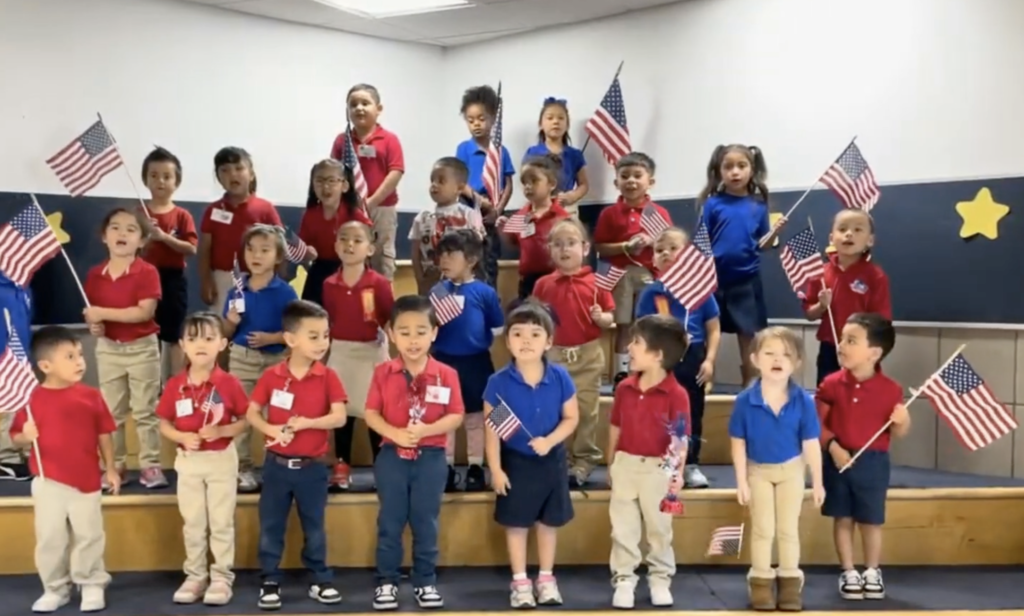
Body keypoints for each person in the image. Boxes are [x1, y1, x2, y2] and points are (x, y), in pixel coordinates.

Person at [364, 295, 465, 611]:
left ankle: (425, 581)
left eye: (421, 331)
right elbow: (371, 413)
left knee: (425, 521)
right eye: (404, 332)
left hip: (431, 458)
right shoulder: (383, 372)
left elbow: (456, 415)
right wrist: (394, 433)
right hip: (392, 456)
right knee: (390, 521)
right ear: (391, 334)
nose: (413, 339)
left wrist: (424, 431)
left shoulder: (446, 374)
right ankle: (387, 582)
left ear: (434, 332)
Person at [246, 301, 348, 610]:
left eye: (326, 335)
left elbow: (340, 417)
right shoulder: (272, 375)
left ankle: (320, 578)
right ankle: (270, 579)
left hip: (312, 468)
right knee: (272, 525)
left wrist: (308, 423)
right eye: (313, 336)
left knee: (314, 526)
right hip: (276, 467)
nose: (322, 343)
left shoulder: (328, 376)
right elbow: (252, 413)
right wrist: (272, 429)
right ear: (291, 340)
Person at [9, 326, 119, 613]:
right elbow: (16, 436)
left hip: (86, 481)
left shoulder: (91, 396)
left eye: (80, 354)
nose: (80, 361)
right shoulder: (29, 399)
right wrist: (25, 435)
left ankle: (91, 582)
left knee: (89, 536)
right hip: (48, 482)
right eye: (70, 356)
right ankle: (55, 588)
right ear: (46, 366)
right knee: (50, 539)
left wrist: (110, 469)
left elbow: (104, 434)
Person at [484, 301, 578, 608]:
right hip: (516, 463)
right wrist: (496, 470)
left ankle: (547, 579)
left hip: (551, 461)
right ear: (507, 340)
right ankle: (521, 582)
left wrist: (550, 441)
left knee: (548, 523)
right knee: (517, 524)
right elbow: (493, 431)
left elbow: (571, 419)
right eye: (518, 334)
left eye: (535, 334)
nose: (526, 341)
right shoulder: (497, 383)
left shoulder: (561, 377)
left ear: (549, 341)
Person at [728, 326, 824, 611]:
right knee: (762, 529)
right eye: (769, 353)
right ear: (755, 359)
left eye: (785, 354)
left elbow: (811, 443)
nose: (777, 359)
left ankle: (790, 584)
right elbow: (738, 443)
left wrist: (817, 481)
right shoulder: (745, 401)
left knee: (787, 529)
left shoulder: (804, 401)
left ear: (796, 362)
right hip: (758, 471)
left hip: (792, 471)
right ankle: (760, 583)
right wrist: (741, 480)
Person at [156, 312, 249, 606]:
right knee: (193, 522)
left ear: (222, 344)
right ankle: (195, 575)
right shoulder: (175, 385)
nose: (201, 345)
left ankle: (221, 577)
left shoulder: (229, 383)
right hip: (189, 462)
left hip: (221, 459)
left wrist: (222, 429)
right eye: (193, 338)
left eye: (209, 338)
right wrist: (181, 437)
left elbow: (246, 420)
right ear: (182, 344)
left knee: (221, 522)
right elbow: (164, 423)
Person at [817, 313, 907, 601]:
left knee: (870, 519)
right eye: (842, 338)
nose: (841, 345)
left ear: (874, 353)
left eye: (851, 340)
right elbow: (817, 424)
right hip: (838, 460)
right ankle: (848, 570)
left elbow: (899, 431)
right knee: (842, 517)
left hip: (873, 462)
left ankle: (871, 569)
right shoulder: (830, 384)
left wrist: (902, 419)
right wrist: (833, 447)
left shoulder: (891, 389)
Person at [608, 315, 690, 609]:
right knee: (623, 528)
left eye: (637, 343)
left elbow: (680, 440)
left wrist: (674, 476)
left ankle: (659, 578)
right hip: (625, 464)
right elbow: (616, 426)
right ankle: (624, 578)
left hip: (658, 470)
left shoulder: (677, 394)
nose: (629, 348)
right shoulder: (624, 389)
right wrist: (612, 462)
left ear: (657, 355)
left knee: (659, 529)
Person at [84, 208, 166, 489]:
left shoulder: (148, 272)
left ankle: (151, 465)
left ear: (142, 240)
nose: (122, 233)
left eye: (131, 229)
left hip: (142, 349)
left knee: (145, 410)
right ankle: (115, 464)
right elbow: (94, 319)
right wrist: (95, 325)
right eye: (115, 227)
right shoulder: (95, 275)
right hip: (108, 349)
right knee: (111, 412)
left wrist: (101, 313)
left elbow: (143, 312)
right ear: (104, 237)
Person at [635, 227, 722, 488]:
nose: (665, 253)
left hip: (693, 354)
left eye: (673, 248)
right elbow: (641, 329)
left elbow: (713, 327)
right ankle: (662, 461)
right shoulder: (652, 293)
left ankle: (690, 464)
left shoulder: (700, 291)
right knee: (660, 410)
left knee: (691, 411)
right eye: (659, 250)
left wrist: (709, 360)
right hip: (659, 357)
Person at [532, 219, 615, 487]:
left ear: (585, 248)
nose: (564, 249)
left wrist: (601, 316)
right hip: (554, 357)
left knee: (586, 410)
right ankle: (559, 457)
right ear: (550, 250)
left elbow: (610, 318)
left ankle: (584, 459)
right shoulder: (543, 284)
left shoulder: (597, 283)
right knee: (554, 409)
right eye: (557, 244)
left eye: (571, 243)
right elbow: (535, 318)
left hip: (588, 356)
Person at [699, 144, 785, 386]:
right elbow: (701, 241)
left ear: (752, 169)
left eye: (741, 166)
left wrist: (775, 233)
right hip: (713, 280)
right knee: (707, 330)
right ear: (719, 171)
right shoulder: (712, 204)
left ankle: (749, 383)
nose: (735, 172)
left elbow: (763, 244)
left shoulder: (758, 205)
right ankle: (705, 379)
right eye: (728, 167)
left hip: (745, 280)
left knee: (749, 335)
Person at [223, 225, 299, 492]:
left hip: (276, 363)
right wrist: (230, 323)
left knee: (275, 414)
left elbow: (295, 332)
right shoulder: (237, 290)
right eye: (250, 249)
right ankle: (242, 467)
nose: (256, 255)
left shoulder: (285, 292)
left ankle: (273, 466)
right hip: (242, 359)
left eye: (265, 250)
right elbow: (225, 333)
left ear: (278, 257)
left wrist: (273, 338)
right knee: (241, 413)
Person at [430, 230, 504, 492]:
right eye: (442, 254)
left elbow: (497, 328)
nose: (444, 259)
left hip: (476, 363)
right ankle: (446, 466)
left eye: (451, 254)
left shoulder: (484, 292)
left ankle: (475, 466)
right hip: (442, 362)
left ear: (471, 259)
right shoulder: (437, 291)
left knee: (476, 417)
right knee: (444, 415)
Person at [323, 220, 394, 490]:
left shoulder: (379, 283)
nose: (349, 244)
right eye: (343, 238)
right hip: (341, 353)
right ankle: (341, 465)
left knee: (374, 413)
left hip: (371, 353)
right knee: (342, 413)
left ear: (370, 248)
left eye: (357, 240)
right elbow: (329, 320)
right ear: (335, 245)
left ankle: (381, 468)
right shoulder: (329, 284)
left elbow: (388, 318)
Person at [592, 152, 672, 385]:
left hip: (651, 276)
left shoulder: (659, 214)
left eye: (638, 175)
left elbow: (670, 248)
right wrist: (625, 246)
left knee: (651, 324)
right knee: (624, 325)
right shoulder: (609, 214)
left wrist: (653, 242)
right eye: (624, 176)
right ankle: (622, 374)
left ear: (650, 181)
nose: (631, 181)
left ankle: (649, 371)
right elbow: (600, 247)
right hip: (621, 275)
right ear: (616, 182)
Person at [802, 209, 891, 384]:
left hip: (862, 349)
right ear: (831, 238)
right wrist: (821, 306)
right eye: (842, 229)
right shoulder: (820, 272)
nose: (849, 234)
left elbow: (882, 321)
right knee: (827, 396)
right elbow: (809, 314)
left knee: (859, 400)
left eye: (858, 230)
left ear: (870, 240)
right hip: (830, 348)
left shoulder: (875, 276)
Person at [331, 84, 405, 281]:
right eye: (353, 105)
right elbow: (334, 173)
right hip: (349, 208)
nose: (359, 108)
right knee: (351, 255)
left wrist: (371, 201)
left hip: (382, 208)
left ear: (378, 109)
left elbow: (396, 171)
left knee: (381, 258)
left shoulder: (389, 139)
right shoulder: (342, 141)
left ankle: (383, 306)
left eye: (365, 103)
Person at [198, 146, 282, 313]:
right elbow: (204, 249)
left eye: (239, 168)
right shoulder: (213, 210)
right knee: (222, 325)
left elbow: (279, 247)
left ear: (251, 174)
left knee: (254, 324)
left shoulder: (265, 209)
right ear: (218, 177)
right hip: (223, 278)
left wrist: (274, 279)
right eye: (225, 170)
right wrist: (206, 280)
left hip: (258, 278)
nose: (233, 174)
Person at [139, 146, 198, 379]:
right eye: (154, 176)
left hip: (172, 279)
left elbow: (191, 248)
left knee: (173, 336)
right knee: (148, 336)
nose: (160, 181)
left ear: (176, 181)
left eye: (166, 176)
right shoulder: (139, 213)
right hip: (143, 280)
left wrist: (164, 237)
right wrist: (144, 237)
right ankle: (152, 388)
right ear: (145, 180)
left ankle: (176, 386)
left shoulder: (182, 215)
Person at [455, 84, 515, 287]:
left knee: (490, 262)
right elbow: (460, 183)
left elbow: (508, 184)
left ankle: (490, 302)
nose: (476, 124)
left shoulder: (500, 151)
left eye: (482, 119)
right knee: (469, 260)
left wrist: (497, 210)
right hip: (469, 207)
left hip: (492, 214)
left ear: (493, 118)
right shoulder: (464, 148)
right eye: (471, 120)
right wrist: (481, 202)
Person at [298, 159, 373, 307]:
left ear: (344, 186)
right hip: (320, 269)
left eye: (332, 181)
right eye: (319, 181)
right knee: (309, 309)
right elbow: (303, 245)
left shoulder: (355, 215)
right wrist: (307, 251)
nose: (325, 186)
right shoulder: (310, 215)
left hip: (350, 268)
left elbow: (367, 243)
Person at [408, 157, 484, 295]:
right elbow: (415, 253)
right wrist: (420, 280)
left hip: (462, 281)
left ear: (459, 188)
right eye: (432, 180)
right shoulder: (422, 218)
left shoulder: (469, 215)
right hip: (431, 280)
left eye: (441, 181)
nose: (434, 185)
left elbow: (476, 249)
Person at [499, 155, 570, 299]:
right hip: (528, 279)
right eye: (525, 183)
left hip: (554, 276)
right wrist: (503, 231)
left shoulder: (560, 216)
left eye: (534, 181)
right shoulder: (521, 215)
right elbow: (514, 243)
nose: (528, 187)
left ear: (552, 184)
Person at [521, 97, 589, 216]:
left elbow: (584, 184)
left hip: (567, 208)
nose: (556, 122)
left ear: (567, 125)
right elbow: (525, 181)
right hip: (539, 207)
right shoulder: (532, 153)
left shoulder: (575, 154)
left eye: (561, 118)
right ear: (540, 124)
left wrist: (572, 196)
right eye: (550, 118)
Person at [0, 271, 32, 481]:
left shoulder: (21, 285)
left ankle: (19, 455)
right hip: (4, 357)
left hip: (20, 355)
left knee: (21, 401)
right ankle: (6, 458)